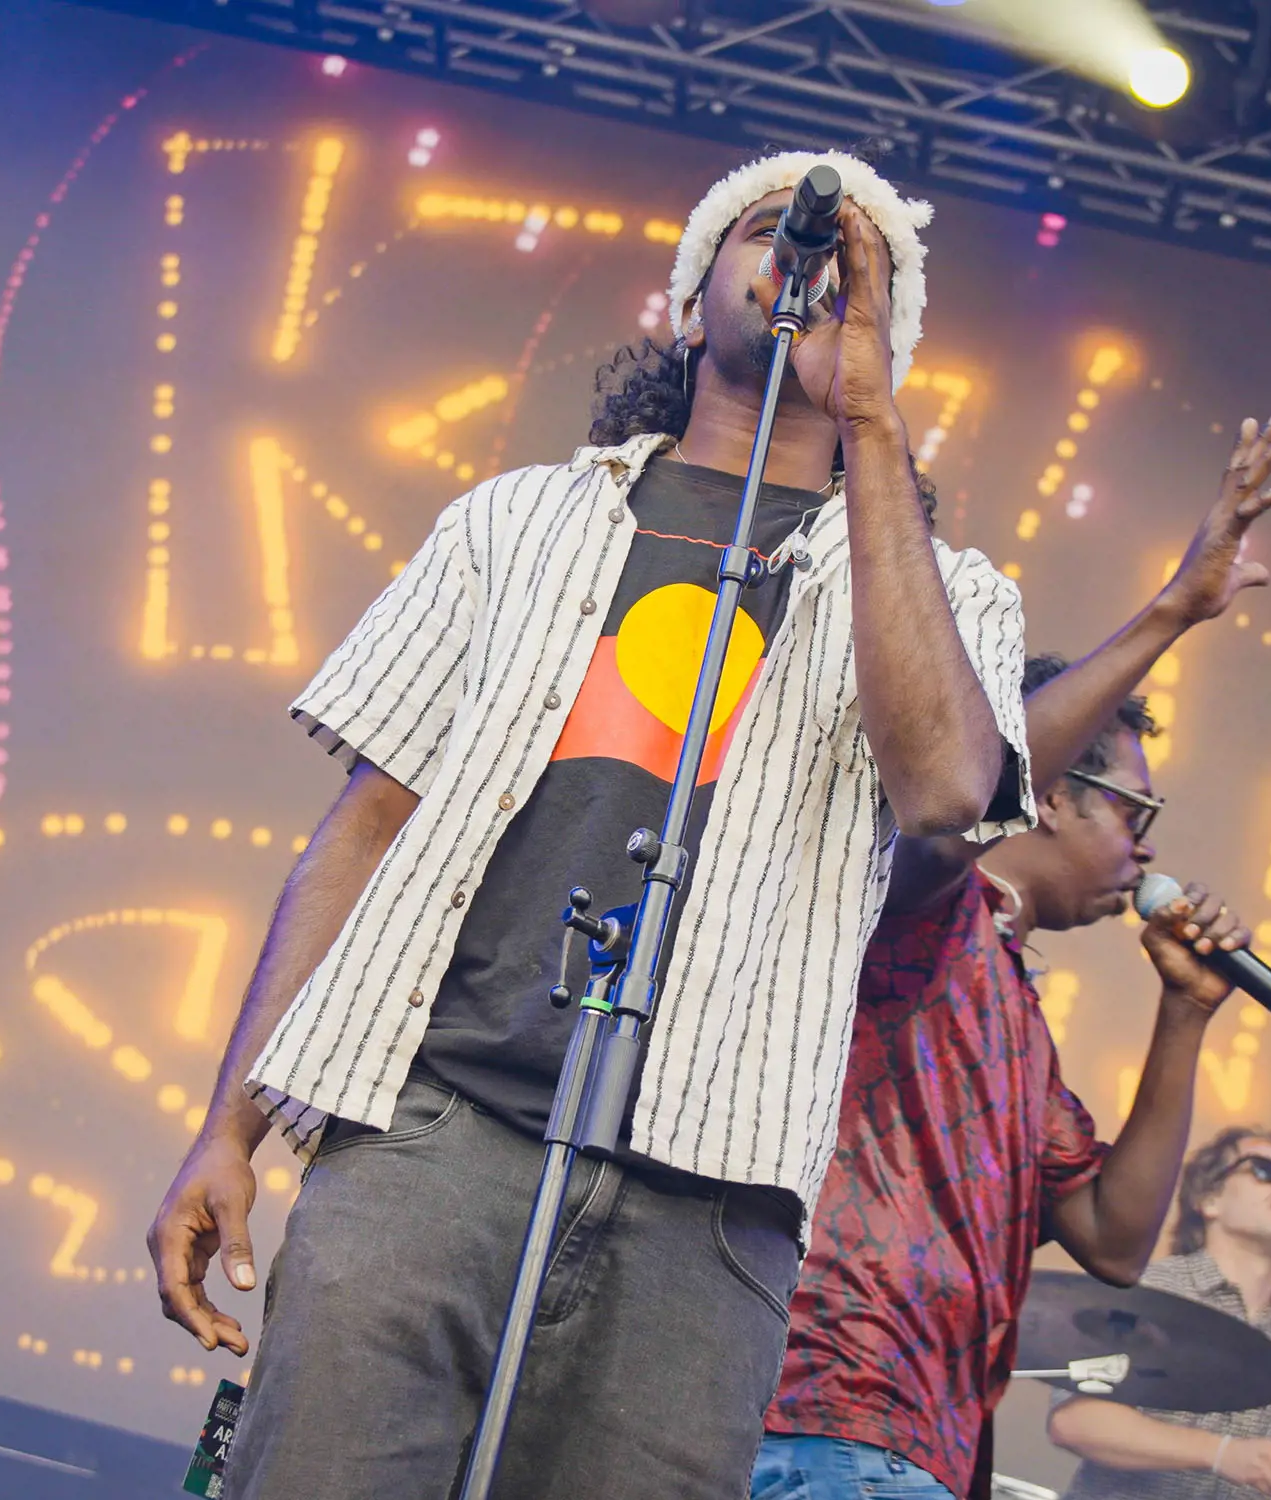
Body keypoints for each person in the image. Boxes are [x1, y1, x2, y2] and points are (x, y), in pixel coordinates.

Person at [148, 149, 1036, 1500]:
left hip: (709, 1208)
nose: (801, 258)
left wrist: (867, 419)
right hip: (431, 1135)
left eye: (851, 257)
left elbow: (946, 792)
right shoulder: (518, 524)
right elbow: (367, 823)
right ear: (689, 304)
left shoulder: (952, 597)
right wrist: (232, 1124)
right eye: (767, 233)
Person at [755, 416, 1271, 1500]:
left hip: (927, 1448)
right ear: (1047, 793)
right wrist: (1176, 609)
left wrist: (1185, 1015)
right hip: (820, 1414)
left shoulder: (1010, 1001)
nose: (1147, 842)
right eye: (1133, 807)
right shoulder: (914, 906)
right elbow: (960, 810)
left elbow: (1112, 1240)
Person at [1050, 1127, 1271, 1499]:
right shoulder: (1148, 1291)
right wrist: (1220, 1453)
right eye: (1264, 1170)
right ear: (1209, 1200)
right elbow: (1075, 1421)